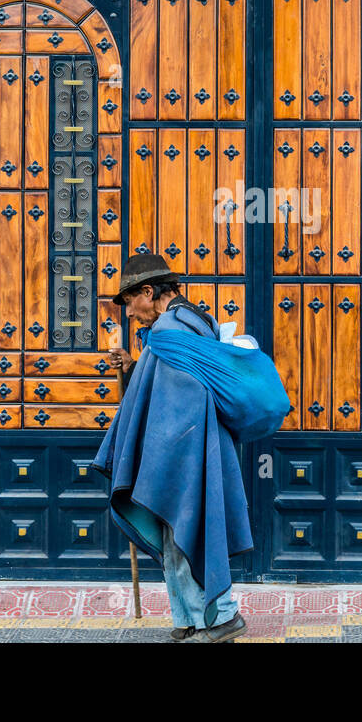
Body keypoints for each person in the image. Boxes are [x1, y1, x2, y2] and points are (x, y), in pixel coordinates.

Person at [90, 253, 251, 643]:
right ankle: (189, 618)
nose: (129, 313)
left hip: (183, 451)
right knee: (176, 531)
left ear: (148, 291)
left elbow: (184, 395)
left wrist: (160, 450)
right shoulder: (195, 321)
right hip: (194, 447)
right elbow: (166, 384)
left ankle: (222, 616)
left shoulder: (170, 329)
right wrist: (133, 367)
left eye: (129, 302)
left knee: (189, 528)